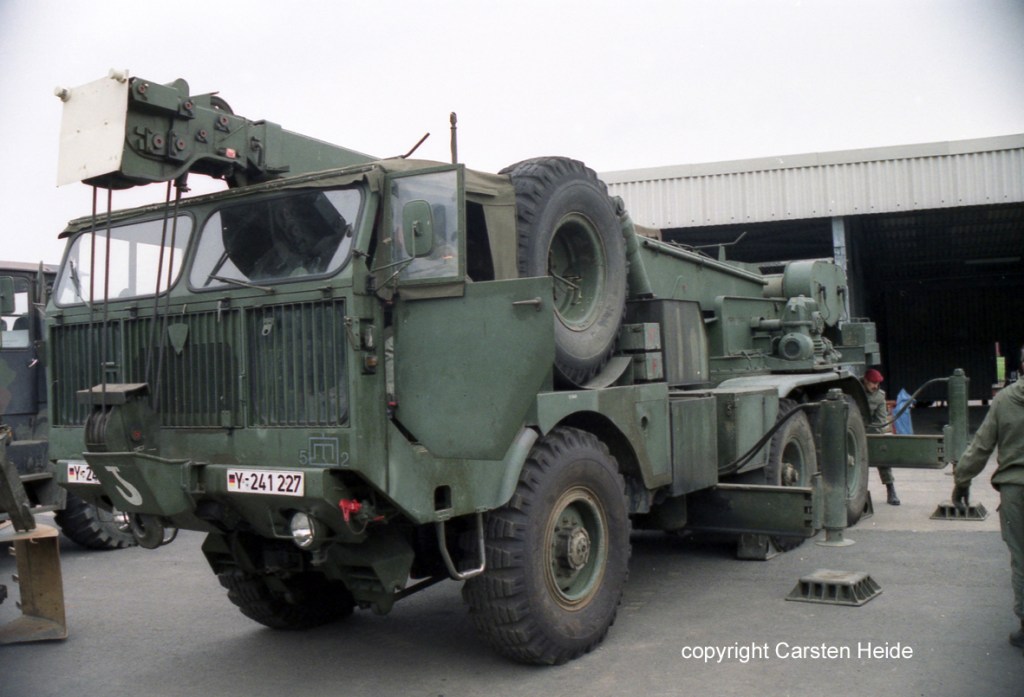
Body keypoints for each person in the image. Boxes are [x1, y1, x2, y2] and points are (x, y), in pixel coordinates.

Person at [952, 346, 1024, 653]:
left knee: (1021, 559)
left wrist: (962, 480)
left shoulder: (1005, 400)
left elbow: (981, 447)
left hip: (1015, 492)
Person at [863, 368, 900, 505]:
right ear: (865, 381)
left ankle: (891, 490)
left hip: (869, 429)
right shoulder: (855, 390)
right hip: (850, 428)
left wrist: (878, 439)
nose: (875, 386)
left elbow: (880, 421)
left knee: (882, 455)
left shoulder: (879, 396)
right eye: (873, 383)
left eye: (877, 383)